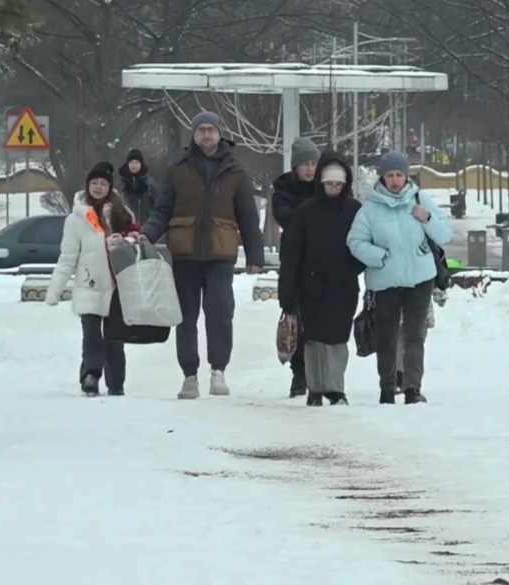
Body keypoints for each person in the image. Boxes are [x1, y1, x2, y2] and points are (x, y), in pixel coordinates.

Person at [140, 111, 265, 399]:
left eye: (211, 130)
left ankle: (218, 371)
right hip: (184, 254)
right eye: (201, 130)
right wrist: (147, 232)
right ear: (193, 134)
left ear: (220, 133)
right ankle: (189, 375)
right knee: (185, 317)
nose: (207, 135)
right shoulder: (177, 168)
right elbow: (162, 210)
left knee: (220, 313)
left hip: (220, 255)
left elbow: (247, 217)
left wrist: (255, 255)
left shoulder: (235, 170)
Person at [347, 151, 452, 405]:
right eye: (390, 175)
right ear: (382, 178)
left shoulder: (420, 199)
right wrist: (379, 257)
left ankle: (412, 389)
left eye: (399, 175)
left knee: (415, 335)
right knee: (387, 335)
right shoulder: (369, 209)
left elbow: (445, 234)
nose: (395, 180)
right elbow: (355, 241)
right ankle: (387, 387)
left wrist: (425, 218)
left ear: (407, 176)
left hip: (420, 279)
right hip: (385, 282)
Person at [44, 162, 141, 397]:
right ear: (88, 186)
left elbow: (135, 242)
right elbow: (67, 257)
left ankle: (116, 383)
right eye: (94, 183)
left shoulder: (121, 213)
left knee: (115, 338)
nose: (98, 187)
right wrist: (54, 291)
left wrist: (129, 240)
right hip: (90, 283)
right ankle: (91, 375)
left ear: (110, 187)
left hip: (118, 284)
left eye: (103, 183)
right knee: (91, 335)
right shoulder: (76, 219)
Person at [278, 151, 363, 407]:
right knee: (314, 339)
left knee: (337, 338)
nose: (334, 189)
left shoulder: (355, 210)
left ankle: (335, 388)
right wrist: (287, 291)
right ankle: (315, 388)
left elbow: (365, 244)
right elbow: (292, 252)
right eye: (329, 184)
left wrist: (353, 267)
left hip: (344, 284)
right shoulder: (307, 211)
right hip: (311, 284)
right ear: (321, 183)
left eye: (338, 184)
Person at [271, 137, 320, 398]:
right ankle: (298, 372)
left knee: (318, 321)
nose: (310, 169)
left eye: (313, 163)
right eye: (305, 164)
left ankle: (316, 373)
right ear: (295, 166)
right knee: (295, 318)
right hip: (293, 261)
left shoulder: (325, 188)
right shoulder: (283, 190)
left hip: (321, 262)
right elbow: (283, 214)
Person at [119, 149, 158, 225]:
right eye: (131, 162)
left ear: (141, 164)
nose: (134, 165)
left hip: (146, 224)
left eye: (136, 162)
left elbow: (157, 205)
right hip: (127, 226)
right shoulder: (121, 183)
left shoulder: (150, 183)